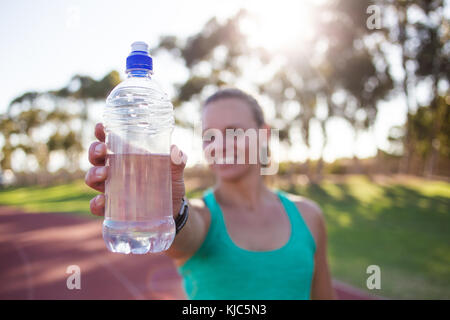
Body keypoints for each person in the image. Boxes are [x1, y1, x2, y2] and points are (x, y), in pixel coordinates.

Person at [85, 88, 335, 299]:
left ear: (264, 134)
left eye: (233, 132)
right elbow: (185, 228)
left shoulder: (309, 216)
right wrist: (169, 210)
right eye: (209, 137)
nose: (219, 145)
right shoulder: (203, 216)